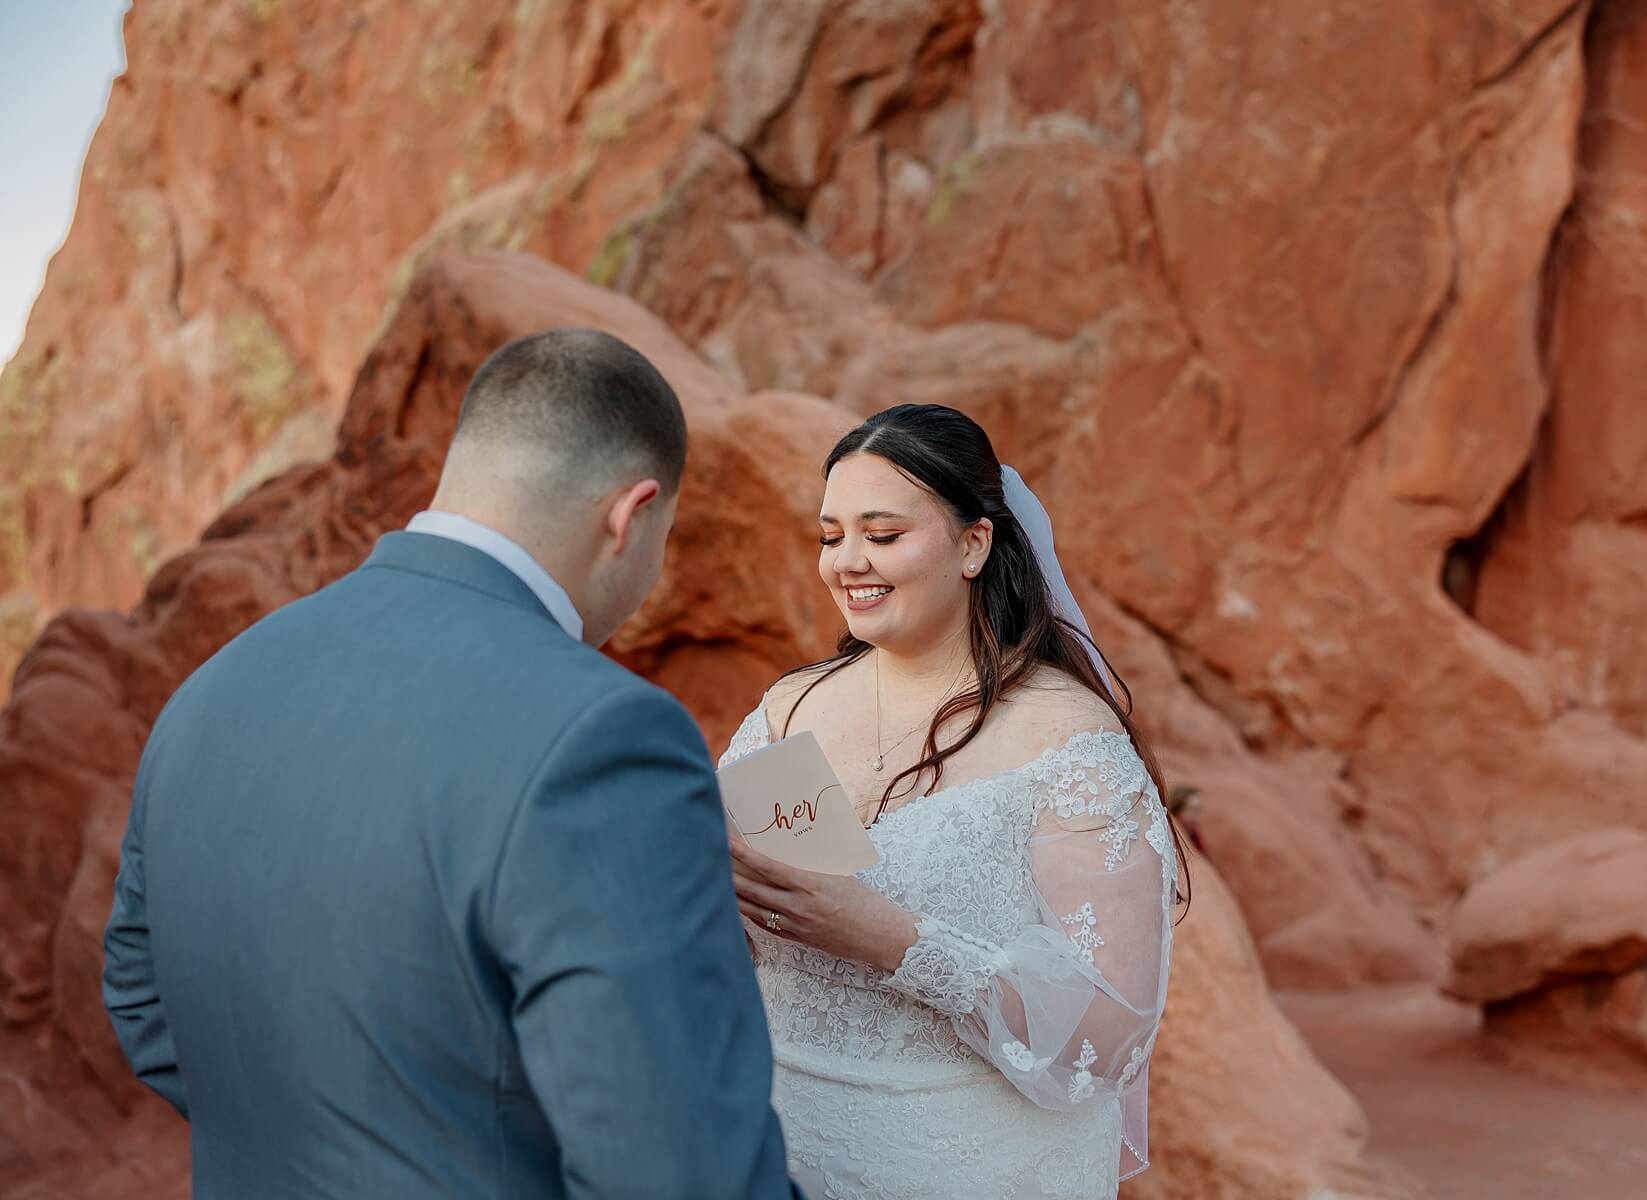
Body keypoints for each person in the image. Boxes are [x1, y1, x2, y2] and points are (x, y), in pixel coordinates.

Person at [101, 328, 800, 1199]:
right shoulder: (604, 735)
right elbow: (679, 1173)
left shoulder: (210, 690)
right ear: (631, 514)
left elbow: (142, 1003)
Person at [722, 403, 1186, 1198]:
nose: (848, 563)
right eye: (832, 536)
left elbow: (1109, 1042)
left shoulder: (1067, 740)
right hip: (777, 1149)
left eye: (883, 534)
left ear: (974, 544)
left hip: (970, 1164)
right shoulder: (786, 712)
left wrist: (891, 940)